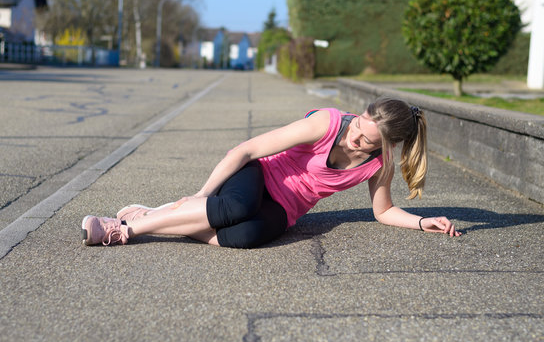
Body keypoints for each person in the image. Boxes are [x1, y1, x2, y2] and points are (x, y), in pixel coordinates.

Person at [81, 97, 461, 248]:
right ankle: (126, 230)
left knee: (240, 238)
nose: (353, 138)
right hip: (257, 175)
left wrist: (421, 221)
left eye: (365, 141)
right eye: (358, 125)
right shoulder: (327, 123)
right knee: (236, 208)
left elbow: (382, 211)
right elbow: (246, 150)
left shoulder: (381, 164)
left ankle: (155, 213)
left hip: (287, 208)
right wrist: (202, 193)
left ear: (386, 145)